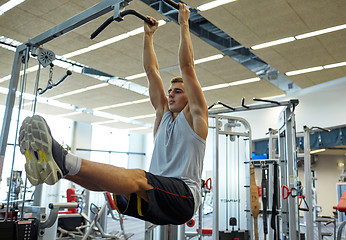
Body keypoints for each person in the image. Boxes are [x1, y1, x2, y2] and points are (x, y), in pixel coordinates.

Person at [19, 3, 208, 225]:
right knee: (113, 183)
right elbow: (151, 72)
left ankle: (65, 160)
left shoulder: (196, 119)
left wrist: (184, 22)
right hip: (157, 197)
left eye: (178, 91)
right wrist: (148, 36)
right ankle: (61, 168)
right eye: (169, 91)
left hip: (183, 198)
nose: (170, 95)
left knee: (138, 177)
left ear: (190, 98)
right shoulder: (163, 115)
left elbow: (187, 68)